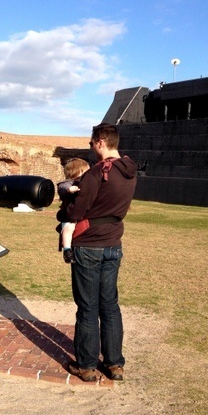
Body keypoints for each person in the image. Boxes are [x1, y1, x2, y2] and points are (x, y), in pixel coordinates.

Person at [58, 123, 137, 382]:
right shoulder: (129, 171)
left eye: (92, 143)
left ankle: (87, 365)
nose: (91, 148)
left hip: (89, 246)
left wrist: (65, 209)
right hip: (113, 246)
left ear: (101, 142)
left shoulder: (95, 174)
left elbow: (75, 212)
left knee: (88, 308)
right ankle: (115, 365)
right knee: (110, 306)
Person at [57, 158, 90, 264]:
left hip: (78, 213)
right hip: (68, 213)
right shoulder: (67, 183)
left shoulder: (85, 182)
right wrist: (69, 190)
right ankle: (67, 250)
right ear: (79, 171)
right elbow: (62, 190)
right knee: (68, 229)